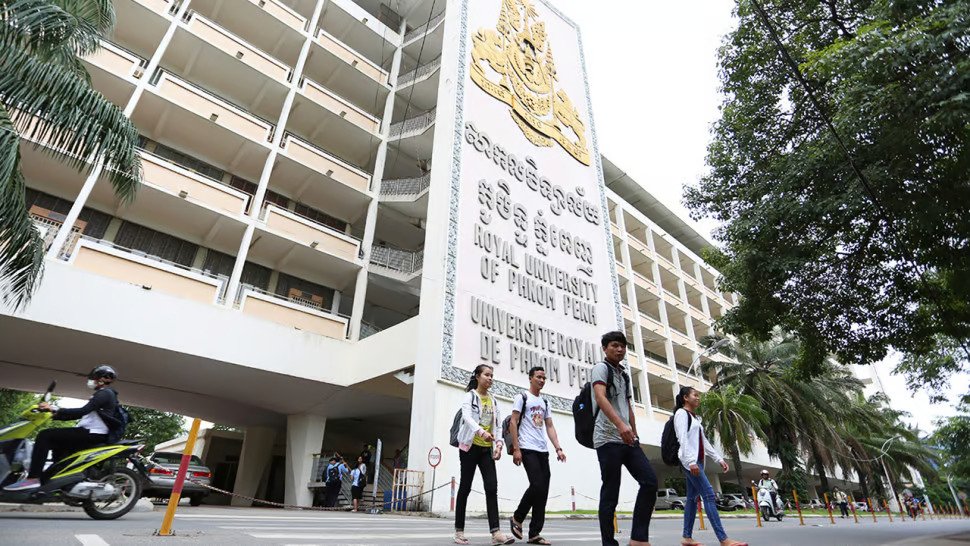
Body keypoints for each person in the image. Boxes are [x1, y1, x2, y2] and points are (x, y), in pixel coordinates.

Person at [5, 365, 119, 491]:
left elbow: (82, 411)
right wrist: (54, 414)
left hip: (93, 434)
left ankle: (33, 479)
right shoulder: (103, 394)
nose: (90, 380)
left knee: (45, 435)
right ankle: (52, 483)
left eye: (93, 378)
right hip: (90, 433)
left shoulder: (105, 393)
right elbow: (77, 415)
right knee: (57, 447)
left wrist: (54, 408)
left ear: (102, 379)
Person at [591, 331, 658, 546]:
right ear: (605, 348)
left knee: (650, 482)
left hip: (627, 439)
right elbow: (600, 397)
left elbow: (628, 406)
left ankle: (638, 538)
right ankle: (608, 543)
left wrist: (634, 433)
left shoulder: (624, 375)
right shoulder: (600, 368)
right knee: (611, 492)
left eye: (622, 346)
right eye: (614, 345)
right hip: (607, 438)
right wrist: (620, 425)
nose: (619, 349)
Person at [674, 386, 747, 546]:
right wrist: (691, 462)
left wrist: (718, 459)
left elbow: (704, 441)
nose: (698, 398)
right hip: (690, 462)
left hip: (697, 461)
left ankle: (687, 537)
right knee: (708, 495)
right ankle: (723, 539)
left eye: (698, 395)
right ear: (686, 397)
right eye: (695, 395)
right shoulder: (681, 414)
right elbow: (682, 438)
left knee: (692, 499)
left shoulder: (694, 418)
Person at [453, 364, 514, 545]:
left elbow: (497, 425)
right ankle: (459, 532)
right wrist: (481, 432)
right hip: (469, 447)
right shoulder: (470, 396)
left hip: (486, 450)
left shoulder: (493, 400)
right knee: (465, 487)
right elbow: (467, 417)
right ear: (478, 377)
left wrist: (499, 445)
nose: (490, 378)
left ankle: (496, 533)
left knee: (492, 487)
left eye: (492, 376)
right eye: (487, 375)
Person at [508, 366, 566, 545]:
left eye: (543, 378)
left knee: (543, 491)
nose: (541, 380)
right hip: (527, 447)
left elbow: (549, 426)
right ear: (530, 378)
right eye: (538, 377)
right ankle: (517, 517)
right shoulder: (522, 397)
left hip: (543, 450)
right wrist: (516, 449)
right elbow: (513, 422)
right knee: (537, 484)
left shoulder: (545, 402)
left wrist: (558, 448)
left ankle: (534, 533)